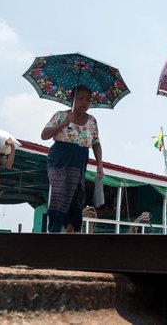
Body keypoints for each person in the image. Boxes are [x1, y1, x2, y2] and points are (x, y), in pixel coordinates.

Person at [41, 84, 104, 233]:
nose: (84, 102)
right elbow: (44, 135)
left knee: (77, 195)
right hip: (59, 157)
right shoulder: (61, 115)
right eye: (80, 98)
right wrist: (64, 123)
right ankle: (54, 230)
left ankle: (70, 230)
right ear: (72, 100)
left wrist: (100, 165)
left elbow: (95, 143)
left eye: (88, 100)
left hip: (79, 158)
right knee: (59, 191)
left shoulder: (92, 121)